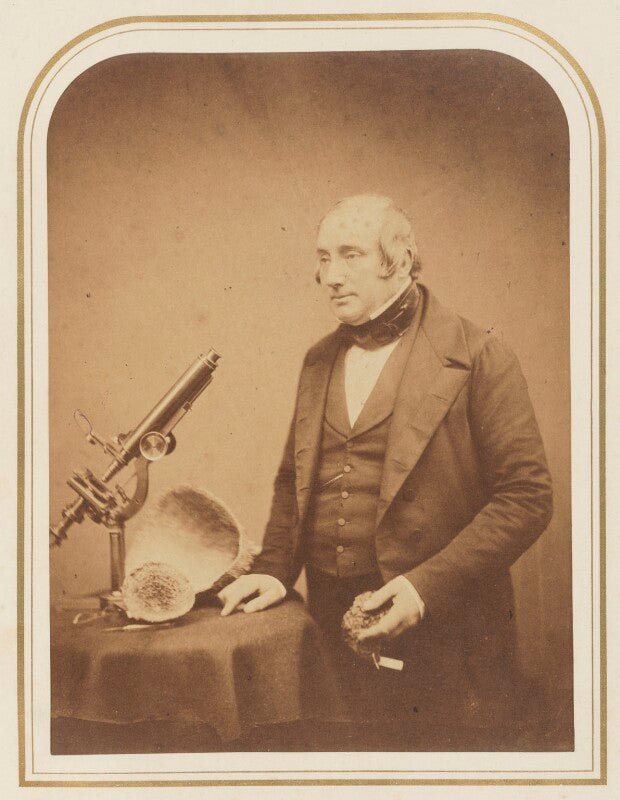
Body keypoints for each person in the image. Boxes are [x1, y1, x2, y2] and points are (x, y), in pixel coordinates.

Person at [218, 194, 553, 750]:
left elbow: (527, 498)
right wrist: (276, 569)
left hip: (446, 635)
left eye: (350, 255)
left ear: (399, 261)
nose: (330, 276)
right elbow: (292, 478)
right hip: (330, 629)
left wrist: (423, 589)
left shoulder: (479, 355)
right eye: (323, 257)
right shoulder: (318, 359)